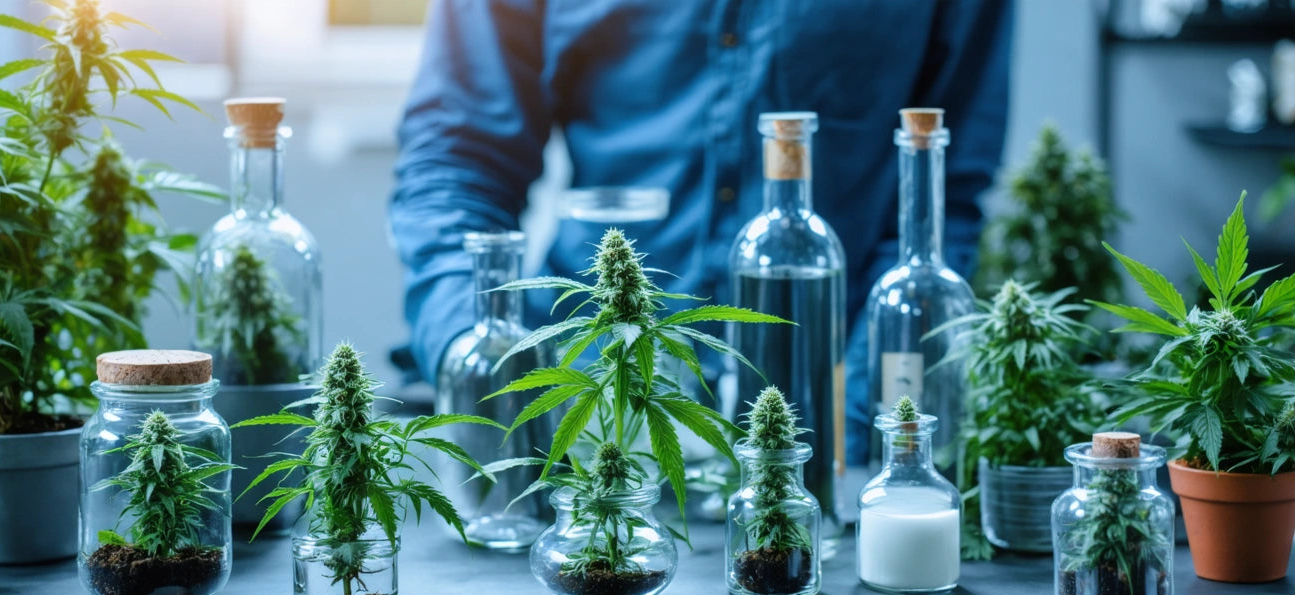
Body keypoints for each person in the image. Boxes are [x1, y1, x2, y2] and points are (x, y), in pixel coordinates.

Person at [390, 0, 1012, 464]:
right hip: (581, 411)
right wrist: (480, 367)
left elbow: (942, 189)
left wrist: (856, 422)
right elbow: (457, 160)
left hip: (824, 427)